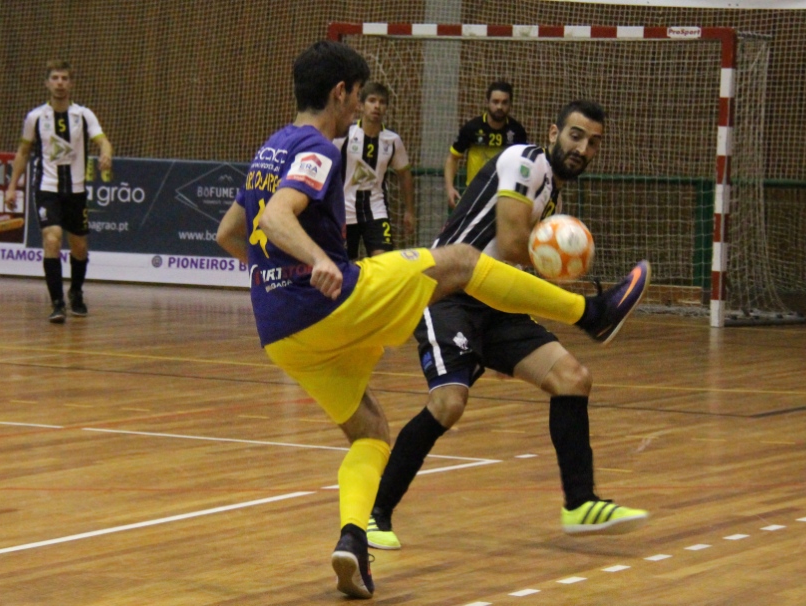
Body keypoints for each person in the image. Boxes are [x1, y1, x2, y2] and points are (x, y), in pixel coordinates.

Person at [216, 42, 650, 600]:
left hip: (279, 332)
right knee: (462, 264)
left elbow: (231, 233)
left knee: (370, 432)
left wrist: (275, 280)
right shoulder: (316, 146)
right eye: (357, 98)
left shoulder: (269, 149)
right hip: (330, 300)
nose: (361, 111)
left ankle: (354, 539)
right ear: (340, 94)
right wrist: (318, 262)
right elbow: (278, 217)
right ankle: (593, 313)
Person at [365, 101, 650, 553]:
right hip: (448, 293)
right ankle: (373, 515)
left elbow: (515, 258)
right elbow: (516, 243)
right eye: (575, 135)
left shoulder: (551, 191)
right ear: (553, 131)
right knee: (448, 403)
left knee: (572, 378)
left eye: (593, 142)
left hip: (496, 304)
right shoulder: (526, 159)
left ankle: (580, 503)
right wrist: (560, 266)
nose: (582, 148)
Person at [5, 60, 112, 324]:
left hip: (75, 191)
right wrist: (11, 186)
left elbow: (102, 140)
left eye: (65, 78)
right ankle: (56, 303)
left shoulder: (84, 115)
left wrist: (106, 154)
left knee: (79, 246)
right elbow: (23, 152)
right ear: (47, 83)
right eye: (55, 78)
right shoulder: (35, 117)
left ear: (71, 84)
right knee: (52, 239)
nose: (60, 83)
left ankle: (75, 292)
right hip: (46, 189)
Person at [337, 82, 415, 259]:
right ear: (361, 105)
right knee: (344, 265)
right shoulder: (344, 135)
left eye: (382, 102)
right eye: (372, 101)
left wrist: (409, 210)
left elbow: (405, 174)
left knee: (384, 263)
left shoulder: (392, 140)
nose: (377, 106)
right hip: (345, 211)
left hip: (376, 209)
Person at [444, 80, 527, 209]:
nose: (500, 107)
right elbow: (452, 158)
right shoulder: (472, 128)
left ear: (511, 104)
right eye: (495, 101)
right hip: (475, 196)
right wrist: (450, 188)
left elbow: (524, 165)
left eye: (504, 102)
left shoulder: (517, 132)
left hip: (505, 197)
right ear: (487, 102)